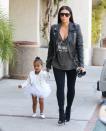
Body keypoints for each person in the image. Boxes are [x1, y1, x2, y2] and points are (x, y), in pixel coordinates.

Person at [46, 6, 85, 125]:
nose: (64, 16)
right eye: (62, 14)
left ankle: (68, 109)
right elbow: (51, 47)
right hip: (57, 63)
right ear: (59, 15)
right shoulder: (54, 28)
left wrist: (82, 64)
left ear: (70, 15)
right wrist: (48, 64)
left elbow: (80, 46)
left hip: (73, 64)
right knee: (60, 89)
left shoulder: (76, 28)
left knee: (71, 89)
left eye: (66, 14)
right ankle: (61, 114)